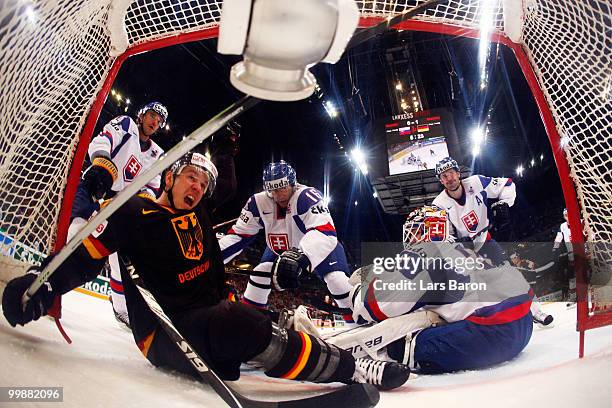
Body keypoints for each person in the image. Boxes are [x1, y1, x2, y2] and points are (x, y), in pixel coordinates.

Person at [2, 152, 410, 390]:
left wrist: (294, 261)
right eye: (191, 177)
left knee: (251, 316)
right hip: (167, 335)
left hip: (208, 319)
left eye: (203, 184)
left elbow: (218, 258)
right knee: (241, 321)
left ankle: (315, 349)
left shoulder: (198, 212)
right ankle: (350, 369)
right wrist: (42, 285)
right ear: (169, 176)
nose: (197, 188)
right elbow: (84, 255)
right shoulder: (132, 211)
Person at [321, 206, 534, 373]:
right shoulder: (468, 248)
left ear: (426, 229)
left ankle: (367, 366)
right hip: (524, 325)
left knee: (400, 344)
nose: (409, 239)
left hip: (494, 334)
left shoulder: (425, 251)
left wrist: (360, 289)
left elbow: (376, 308)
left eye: (413, 231)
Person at [66, 101, 169, 326]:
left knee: (117, 256)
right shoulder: (126, 123)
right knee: (76, 231)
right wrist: (102, 165)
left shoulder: (157, 154)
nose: (155, 122)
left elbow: (151, 186)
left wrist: (143, 207)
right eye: (152, 115)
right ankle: (53, 280)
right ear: (142, 115)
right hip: (98, 182)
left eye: (159, 121)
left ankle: (121, 308)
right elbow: (103, 140)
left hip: (118, 202)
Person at [218, 160, 354, 320]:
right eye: (273, 189)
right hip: (279, 250)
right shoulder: (257, 203)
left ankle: (359, 322)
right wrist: (211, 256)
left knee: (336, 281)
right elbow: (238, 236)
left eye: (282, 187)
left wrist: (301, 257)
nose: (278, 194)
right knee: (259, 274)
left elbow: (325, 232)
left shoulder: (306, 196)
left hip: (318, 249)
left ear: (293, 184)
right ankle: (249, 321)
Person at [433, 157, 553, 326]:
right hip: (461, 252)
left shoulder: (476, 182)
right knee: (471, 290)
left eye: (451, 173)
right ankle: (481, 326)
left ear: (458, 173)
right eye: (444, 176)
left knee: (511, 275)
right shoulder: (438, 204)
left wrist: (504, 203)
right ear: (441, 180)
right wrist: (457, 242)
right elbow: (441, 235)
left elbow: (508, 184)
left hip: (484, 241)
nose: (449, 178)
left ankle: (536, 311)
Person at [553, 208, 576, 302]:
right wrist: (555, 247)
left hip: (584, 251)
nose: (567, 216)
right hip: (572, 255)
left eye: (568, 214)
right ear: (564, 216)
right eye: (566, 215)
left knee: (588, 271)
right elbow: (559, 237)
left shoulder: (580, 221)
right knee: (573, 275)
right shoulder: (562, 226)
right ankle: (573, 297)